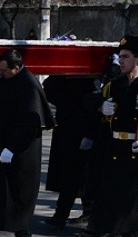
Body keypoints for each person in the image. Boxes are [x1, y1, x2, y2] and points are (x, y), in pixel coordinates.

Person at [53, 34, 138, 237]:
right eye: (119, 56)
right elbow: (88, 100)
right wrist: (100, 106)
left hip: (136, 156)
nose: (120, 61)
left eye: (125, 57)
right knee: (117, 206)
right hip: (113, 153)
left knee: (121, 207)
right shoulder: (115, 85)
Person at [0, 48, 55, 237]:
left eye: (4, 70)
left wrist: (11, 148)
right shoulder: (7, 81)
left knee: (19, 194)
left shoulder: (28, 85)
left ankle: (23, 235)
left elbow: (30, 123)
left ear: (16, 68)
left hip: (21, 151)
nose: (1, 73)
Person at [42, 74, 99, 227]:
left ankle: (65, 215)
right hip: (66, 129)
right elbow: (49, 89)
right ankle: (75, 213)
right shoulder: (64, 80)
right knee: (72, 176)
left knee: (77, 177)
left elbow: (94, 108)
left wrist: (90, 135)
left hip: (82, 131)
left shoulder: (89, 79)